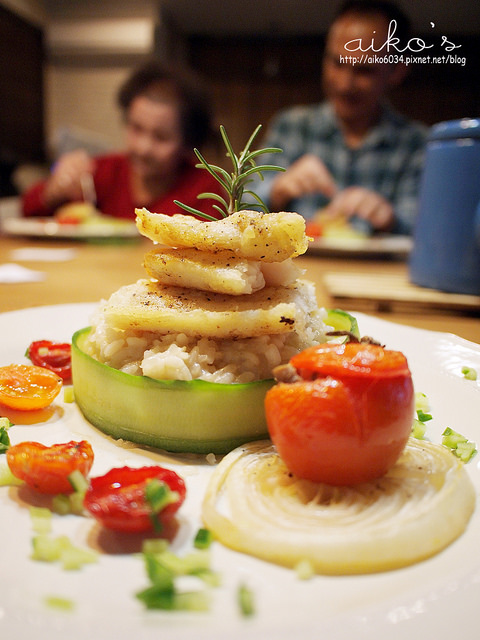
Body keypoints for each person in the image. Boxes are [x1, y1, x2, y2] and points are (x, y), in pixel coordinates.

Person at [253, 0, 428, 235]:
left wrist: (390, 219)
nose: (345, 84)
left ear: (396, 71)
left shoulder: (417, 142)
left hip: (377, 272)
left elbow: (431, 231)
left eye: (364, 70)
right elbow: (242, 208)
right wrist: (276, 191)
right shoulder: (291, 125)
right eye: (337, 62)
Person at [22, 60, 223, 219]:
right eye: (136, 128)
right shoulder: (102, 172)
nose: (143, 148)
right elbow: (28, 210)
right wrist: (54, 190)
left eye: (161, 137)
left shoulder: (205, 189)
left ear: (188, 142)